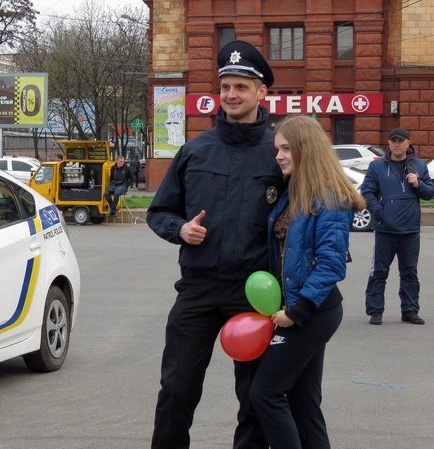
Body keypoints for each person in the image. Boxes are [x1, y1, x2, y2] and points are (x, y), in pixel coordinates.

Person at [147, 40, 283, 449]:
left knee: (255, 396)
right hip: (199, 289)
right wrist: (180, 230)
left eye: (241, 87)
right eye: (225, 87)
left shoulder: (279, 152)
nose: (231, 95)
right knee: (176, 389)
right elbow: (159, 212)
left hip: (256, 291)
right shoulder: (195, 151)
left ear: (261, 93)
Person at [249, 115, 364, 449]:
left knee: (265, 392)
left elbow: (330, 266)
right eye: (277, 149)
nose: (279, 156)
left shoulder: (329, 199)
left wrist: (296, 312)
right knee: (303, 402)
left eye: (286, 148)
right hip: (300, 307)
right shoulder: (294, 192)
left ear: (306, 149)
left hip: (312, 311)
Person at [361, 127, 433, 325]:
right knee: (379, 272)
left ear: (408, 143)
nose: (397, 144)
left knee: (409, 272)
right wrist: (380, 213)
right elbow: (367, 192)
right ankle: (375, 311)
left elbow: (430, 193)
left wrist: (418, 184)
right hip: (385, 230)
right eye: (394, 140)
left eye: (401, 140)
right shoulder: (377, 167)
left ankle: (409, 310)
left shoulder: (418, 166)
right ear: (389, 143)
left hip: (410, 231)